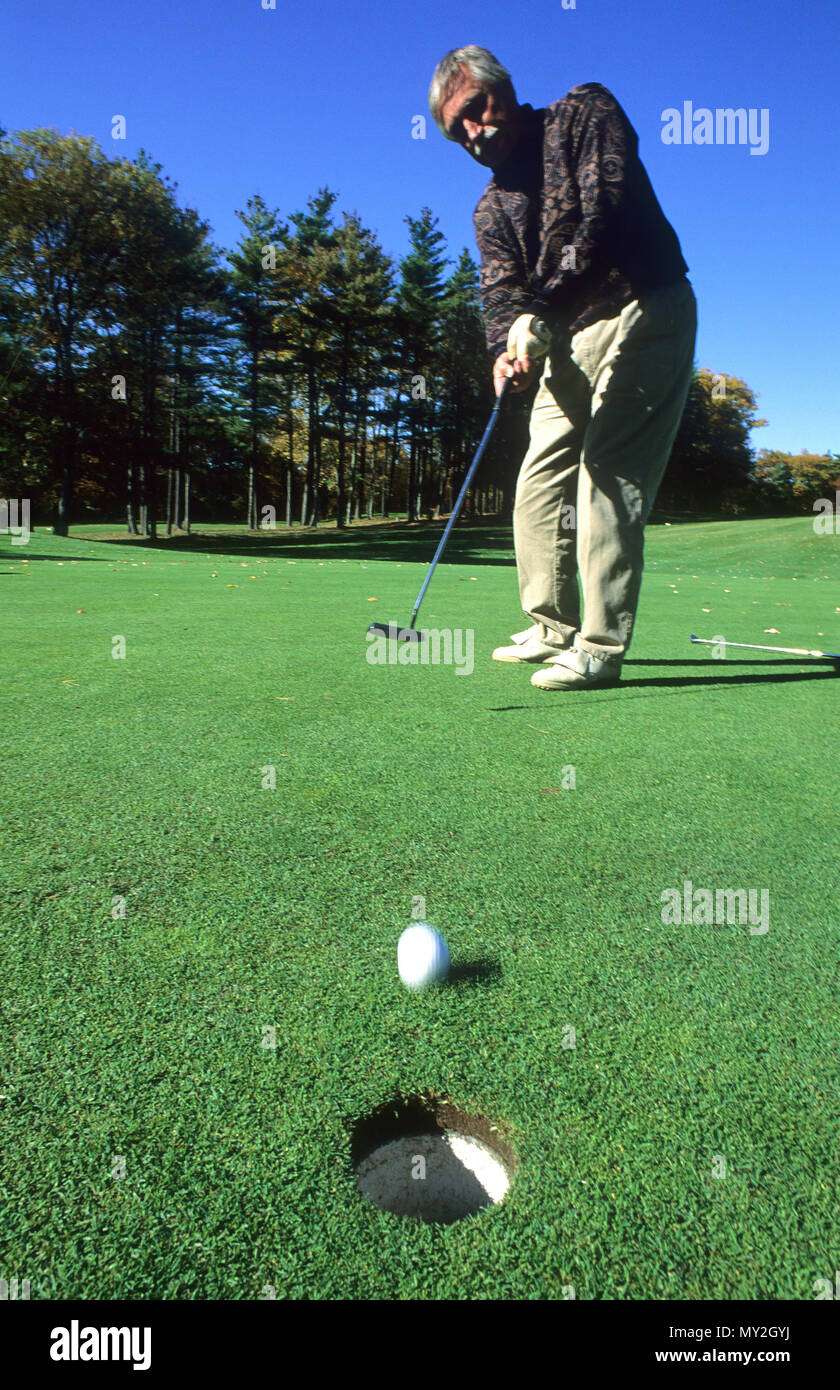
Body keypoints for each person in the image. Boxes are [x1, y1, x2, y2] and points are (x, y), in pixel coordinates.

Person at [428, 47, 697, 690]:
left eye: (473, 112)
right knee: (539, 478)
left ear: (503, 91)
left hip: (644, 305)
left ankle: (601, 648)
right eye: (454, 131)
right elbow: (501, 292)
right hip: (564, 340)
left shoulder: (583, 111)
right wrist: (505, 348)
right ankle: (552, 625)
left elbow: (602, 213)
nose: (471, 134)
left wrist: (541, 311)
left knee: (607, 472)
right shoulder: (489, 207)